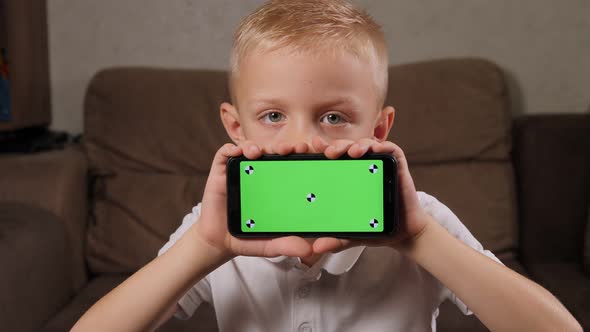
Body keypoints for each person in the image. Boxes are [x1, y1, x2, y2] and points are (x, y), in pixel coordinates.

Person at [72, 1, 582, 331]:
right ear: (236, 127)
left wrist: (419, 238)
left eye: (334, 116)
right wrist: (203, 249)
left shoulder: (420, 218)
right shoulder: (215, 224)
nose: (302, 140)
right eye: (272, 115)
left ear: (379, 130)